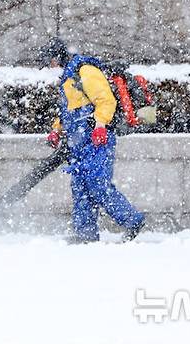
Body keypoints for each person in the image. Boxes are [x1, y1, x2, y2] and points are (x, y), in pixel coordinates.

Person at [40, 38, 145, 243]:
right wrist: (56, 130)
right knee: (80, 186)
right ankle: (84, 234)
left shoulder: (85, 71)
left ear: (58, 56)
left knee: (97, 184)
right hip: (78, 143)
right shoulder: (68, 78)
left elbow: (106, 100)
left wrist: (100, 126)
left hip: (97, 140)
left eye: (50, 61)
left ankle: (132, 220)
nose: (49, 66)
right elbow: (69, 112)